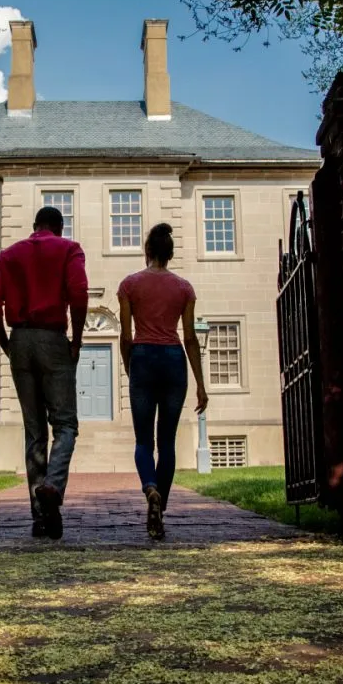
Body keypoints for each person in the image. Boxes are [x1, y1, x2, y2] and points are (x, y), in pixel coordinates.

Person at [0, 206, 89, 540]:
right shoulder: (69, 249)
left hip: (20, 339)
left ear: (34, 226)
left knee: (34, 431)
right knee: (66, 424)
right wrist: (78, 339)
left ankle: (42, 519)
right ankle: (53, 485)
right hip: (53, 338)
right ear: (59, 227)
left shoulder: (10, 255)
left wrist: (6, 344)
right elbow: (79, 293)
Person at [116, 222, 208, 540]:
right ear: (170, 254)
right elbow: (192, 338)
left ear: (148, 251)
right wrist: (200, 384)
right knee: (167, 442)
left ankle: (150, 489)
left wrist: (131, 367)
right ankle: (161, 507)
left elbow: (125, 337)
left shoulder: (129, 285)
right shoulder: (185, 288)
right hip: (173, 360)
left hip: (143, 357)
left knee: (144, 442)